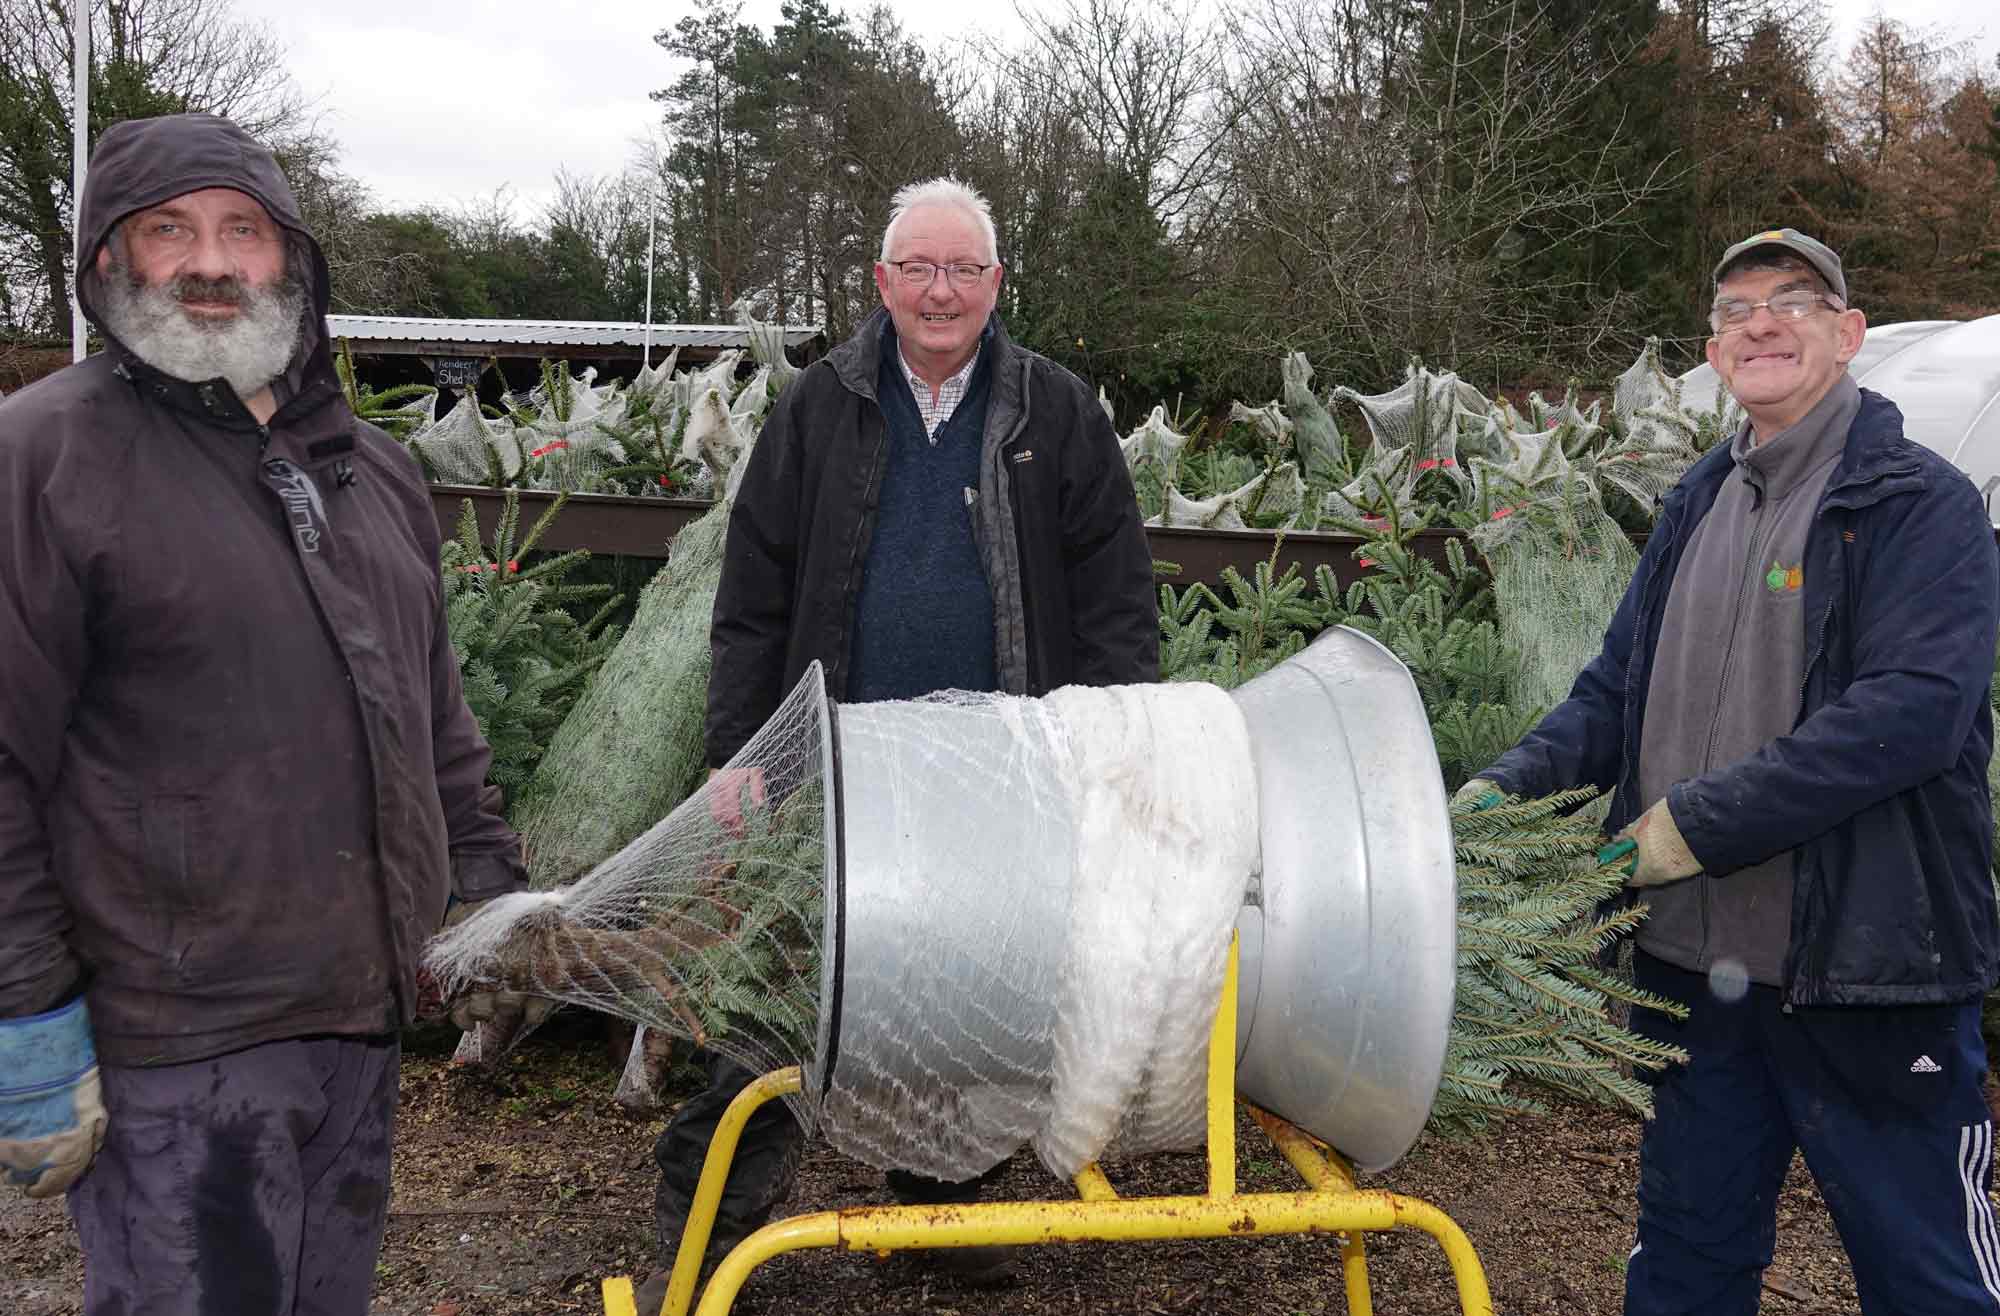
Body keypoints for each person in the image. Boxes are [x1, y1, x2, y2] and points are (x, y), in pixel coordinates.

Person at [0, 113, 529, 1315]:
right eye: (167, 230)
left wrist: (488, 890)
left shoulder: (369, 470)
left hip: (355, 1022)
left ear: (291, 262)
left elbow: (434, 716)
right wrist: (25, 1007)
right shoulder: (42, 461)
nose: (211, 259)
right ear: (107, 264)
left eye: (244, 230)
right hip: (173, 1048)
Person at [1459, 228, 2000, 1314]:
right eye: (1733, 306)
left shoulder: (1917, 504)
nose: (1759, 320)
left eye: (1791, 301)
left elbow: (1907, 715)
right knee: (1686, 1258)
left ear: (1846, 335)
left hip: (1863, 973)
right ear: (1711, 353)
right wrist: (1495, 794)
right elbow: (1613, 692)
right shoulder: (1695, 499)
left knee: (1924, 1271)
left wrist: (1690, 825)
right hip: (1686, 968)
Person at [641, 177, 1159, 1299]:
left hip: (1000, 768)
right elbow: (752, 594)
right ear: (878, 282)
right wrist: (742, 754)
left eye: (961, 270)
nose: (938, 291)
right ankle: (706, 1224)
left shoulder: (1053, 411)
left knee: (968, 989)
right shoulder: (819, 406)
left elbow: (1116, 594)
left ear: (994, 285)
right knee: (779, 994)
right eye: (916, 269)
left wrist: (1115, 743)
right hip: (834, 766)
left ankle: (943, 1213)